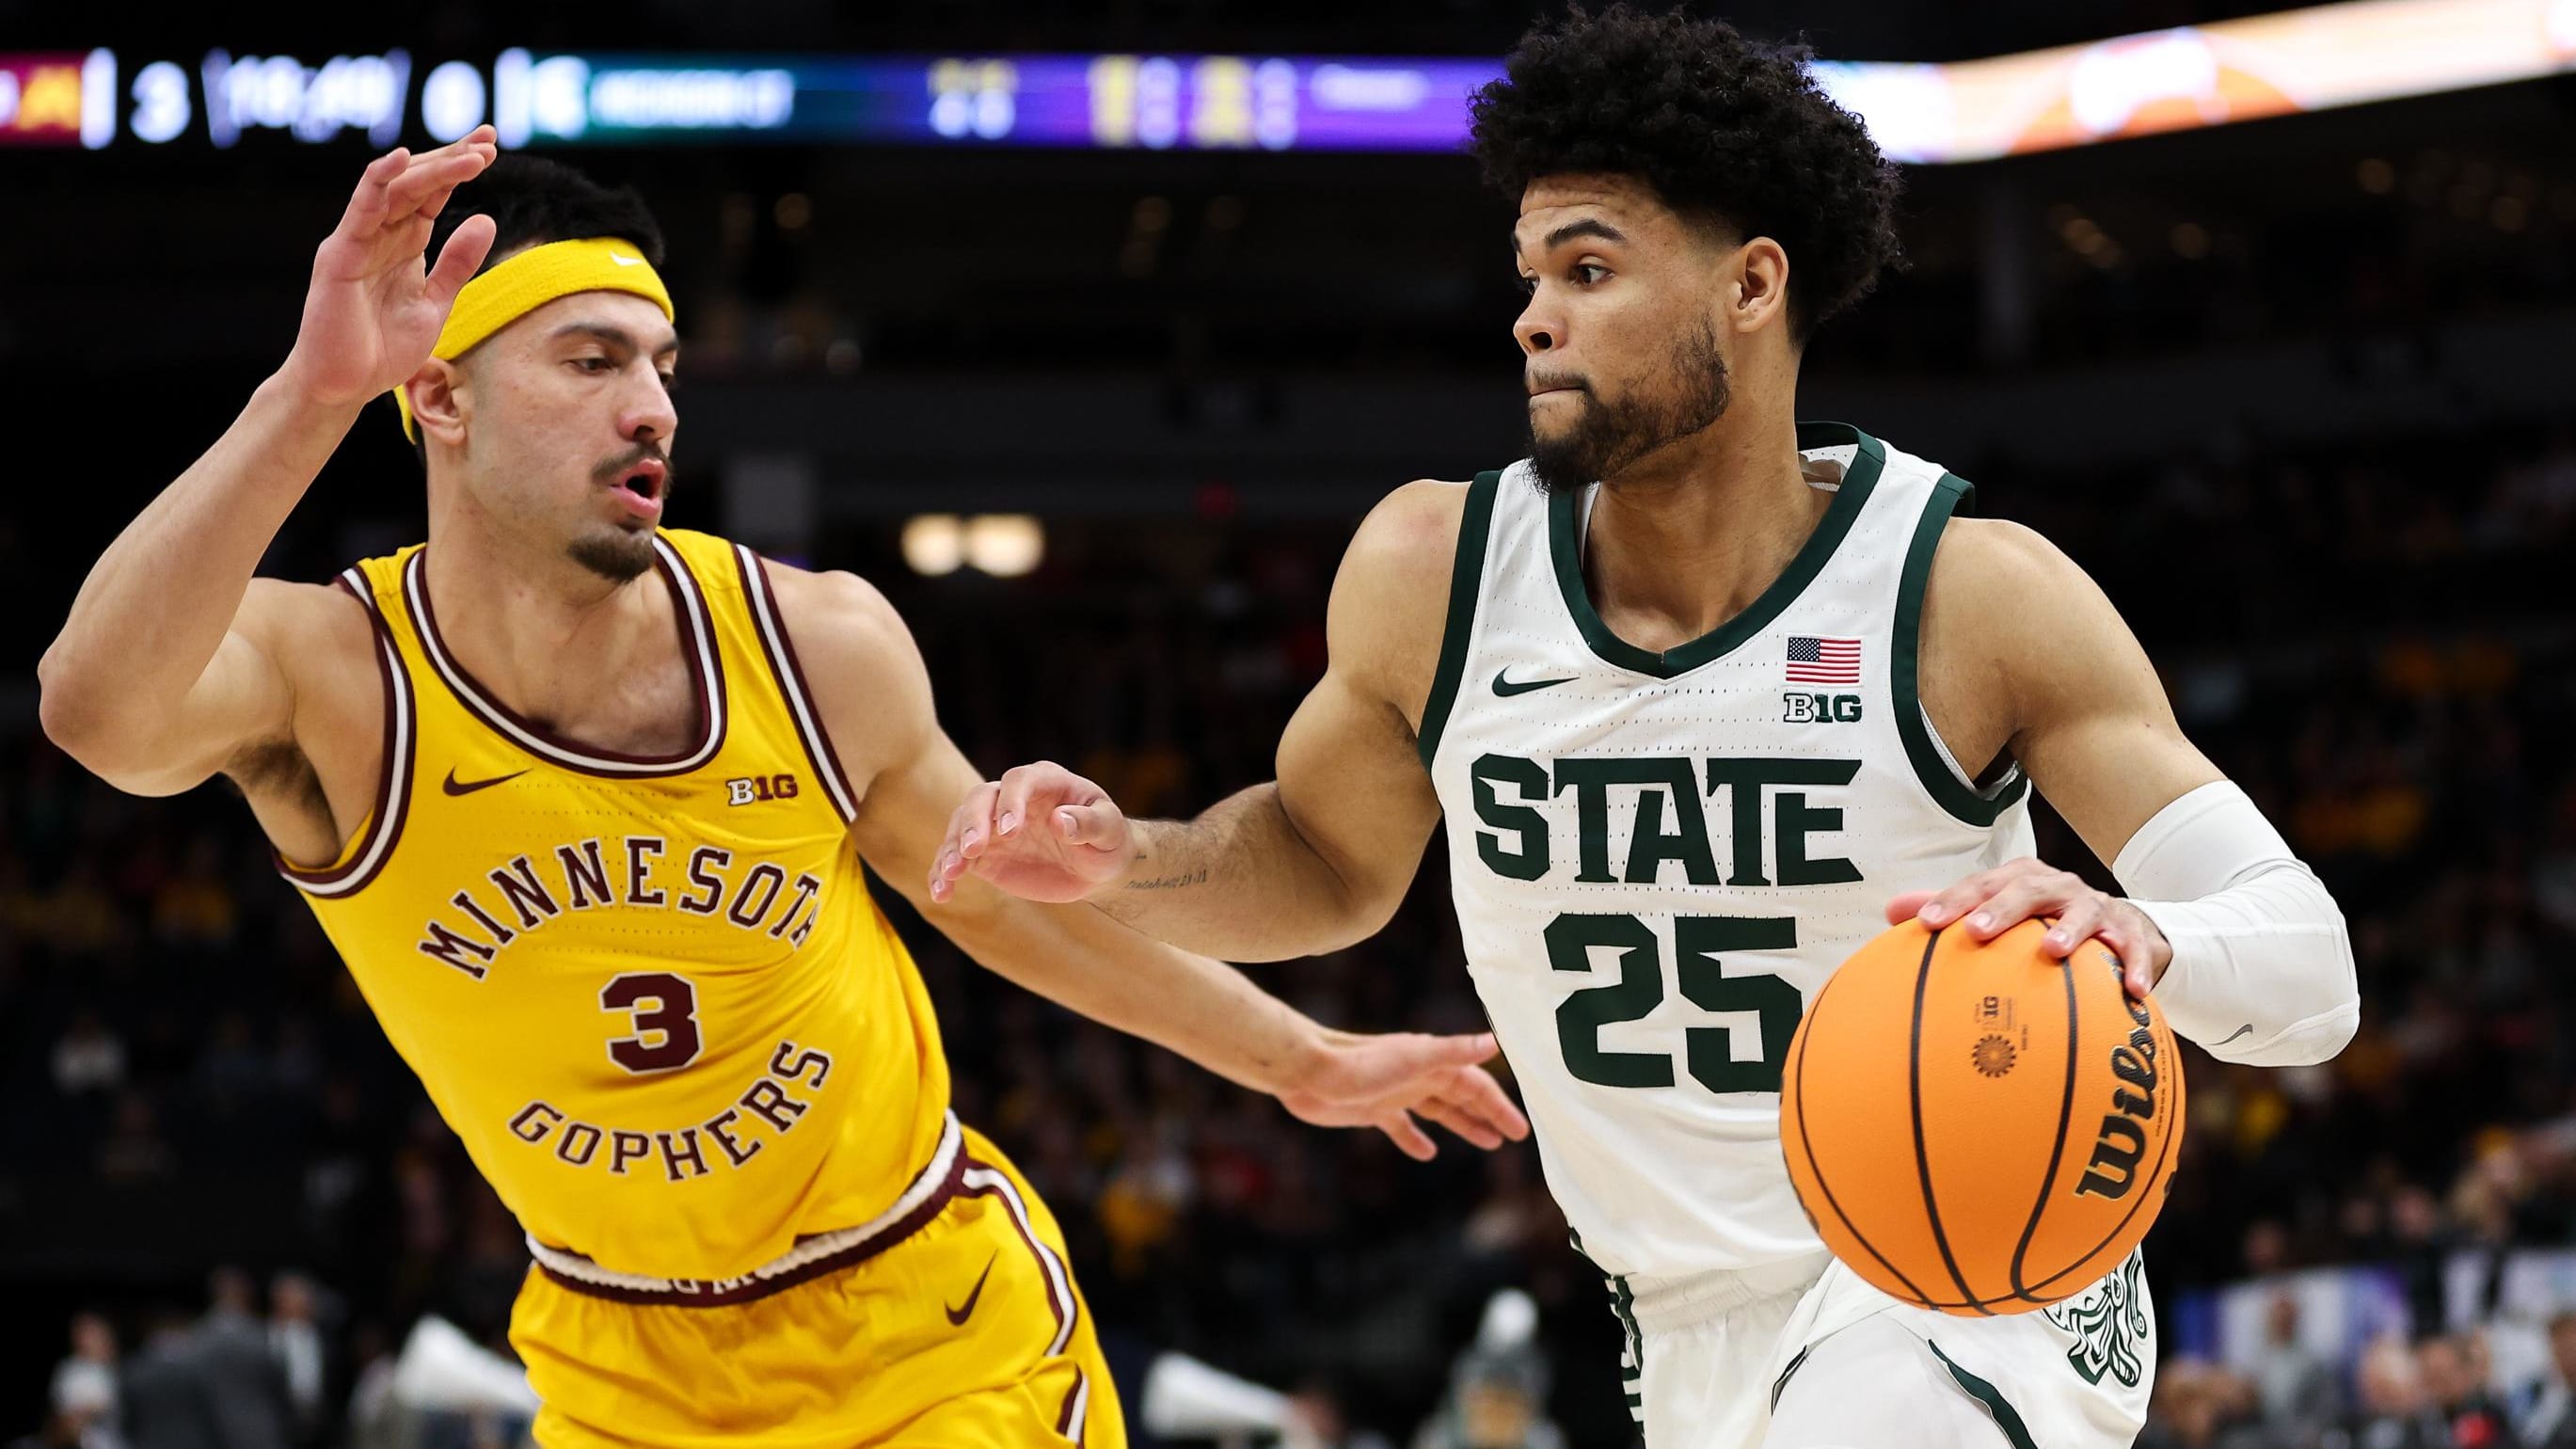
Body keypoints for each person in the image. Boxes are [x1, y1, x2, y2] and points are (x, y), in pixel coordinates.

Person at [935, 8, 2358, 1446]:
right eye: (1529, 273)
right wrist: (1126, 865)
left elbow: (2309, 971)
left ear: (1749, 285)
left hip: (1968, 1273)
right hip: (1675, 1321)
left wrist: (2146, 938)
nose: (1532, 314)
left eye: (1590, 267)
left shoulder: (1966, 593)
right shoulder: (1434, 572)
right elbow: (1321, 863)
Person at [38, 131, 1527, 1447]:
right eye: (590, 360)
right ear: (435, 397)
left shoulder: (809, 639)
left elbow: (1004, 912)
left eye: (661, 366)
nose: (653, 409)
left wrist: (1294, 1061)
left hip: (919, 1326)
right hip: (618, 1361)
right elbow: (96, 711)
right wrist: (309, 393)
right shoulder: (333, 679)